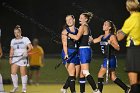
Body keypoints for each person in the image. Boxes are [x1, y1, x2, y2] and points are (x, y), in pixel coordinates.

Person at [90, 20, 130, 93]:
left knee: (100, 74)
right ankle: (126, 89)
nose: (103, 26)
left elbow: (118, 48)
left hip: (110, 58)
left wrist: (111, 43)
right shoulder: (102, 36)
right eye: (103, 24)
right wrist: (88, 39)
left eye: (105, 25)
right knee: (113, 77)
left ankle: (99, 91)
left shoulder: (111, 36)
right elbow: (94, 41)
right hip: (106, 58)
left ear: (109, 27)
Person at [64, 12, 100, 93]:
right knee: (81, 74)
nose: (79, 19)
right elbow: (90, 39)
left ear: (86, 19)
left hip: (84, 50)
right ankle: (82, 91)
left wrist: (68, 34)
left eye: (81, 18)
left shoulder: (83, 26)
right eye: (79, 17)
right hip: (86, 50)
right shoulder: (87, 27)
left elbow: (76, 38)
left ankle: (96, 90)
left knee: (85, 72)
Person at [117, 0, 140, 93]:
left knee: (134, 83)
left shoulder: (130, 20)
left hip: (134, 51)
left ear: (128, 8)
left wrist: (119, 32)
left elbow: (119, 37)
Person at [9, 25, 32, 93]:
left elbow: (30, 47)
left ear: (20, 32)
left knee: (23, 74)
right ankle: (15, 87)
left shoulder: (25, 39)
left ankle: (24, 89)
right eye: (15, 33)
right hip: (15, 59)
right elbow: (11, 50)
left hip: (23, 58)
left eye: (17, 32)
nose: (16, 34)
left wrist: (26, 52)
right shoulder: (13, 41)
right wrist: (10, 58)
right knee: (13, 73)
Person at [61, 15, 80, 93]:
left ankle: (64, 88)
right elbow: (64, 44)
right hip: (68, 53)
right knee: (72, 74)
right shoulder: (64, 32)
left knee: (75, 76)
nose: (68, 21)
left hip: (76, 53)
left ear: (74, 20)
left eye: (70, 19)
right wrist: (66, 54)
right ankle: (73, 91)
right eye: (67, 20)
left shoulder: (78, 30)